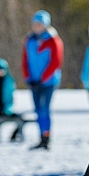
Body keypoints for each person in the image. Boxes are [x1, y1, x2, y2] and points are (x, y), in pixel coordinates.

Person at [22, 10, 64, 150]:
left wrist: (43, 78)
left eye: (40, 24)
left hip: (48, 82)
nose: (37, 27)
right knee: (38, 110)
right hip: (33, 82)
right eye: (35, 24)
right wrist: (28, 77)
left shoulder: (53, 40)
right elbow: (25, 59)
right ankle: (41, 136)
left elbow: (55, 62)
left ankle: (46, 137)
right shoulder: (30, 40)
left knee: (45, 109)